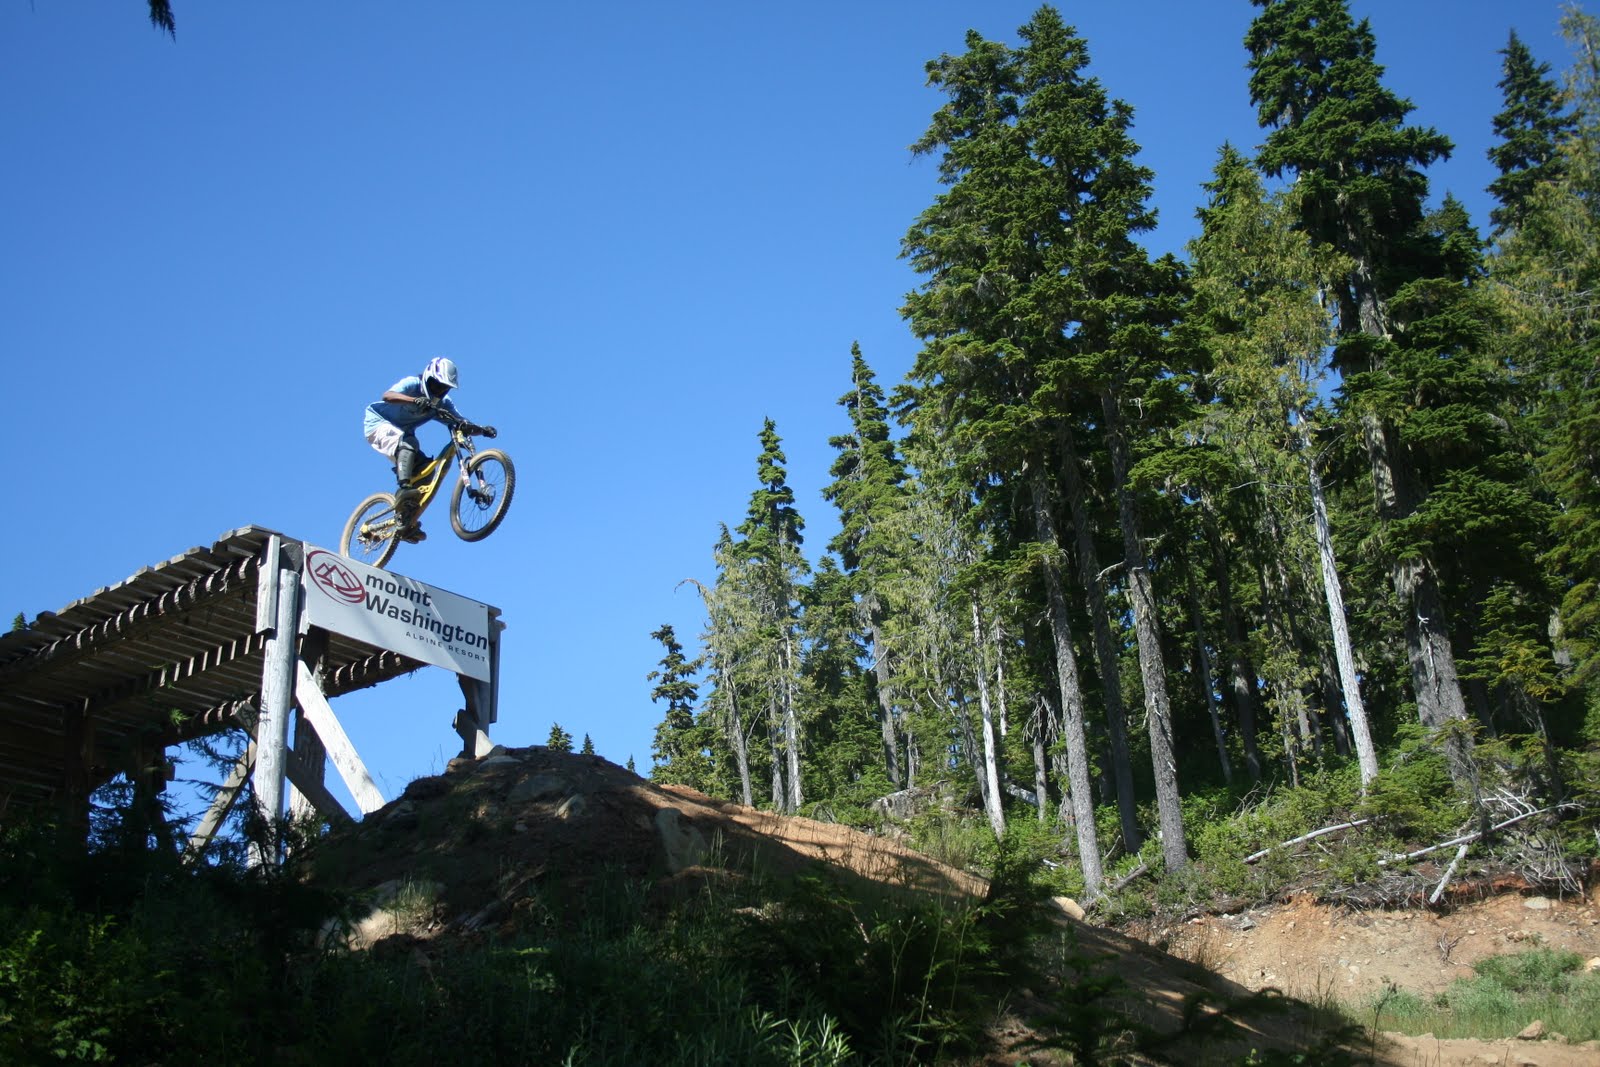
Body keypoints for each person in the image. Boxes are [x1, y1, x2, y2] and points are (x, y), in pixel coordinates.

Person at [362, 357, 493, 542]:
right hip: (377, 424)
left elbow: (460, 422)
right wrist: (415, 400)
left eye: (443, 388)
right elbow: (387, 396)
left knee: (428, 473)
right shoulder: (412, 384)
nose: (438, 391)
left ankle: (407, 521)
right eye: (435, 385)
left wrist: (481, 430)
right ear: (427, 377)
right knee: (409, 443)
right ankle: (404, 489)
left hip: (402, 436)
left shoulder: (442, 404)